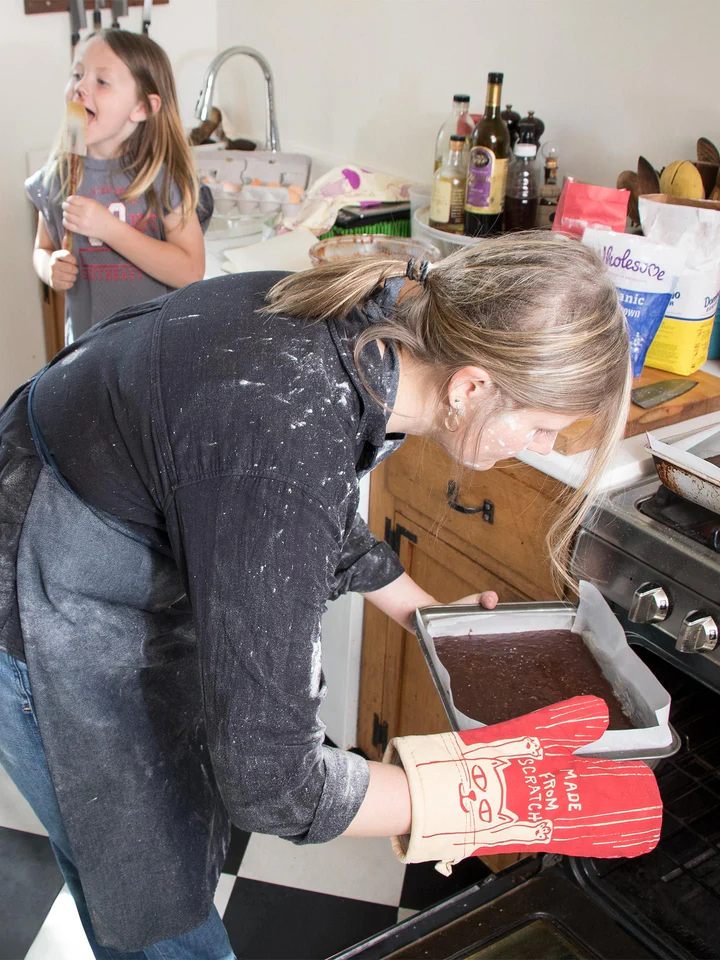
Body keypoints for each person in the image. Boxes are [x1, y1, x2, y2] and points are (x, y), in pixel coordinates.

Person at [0, 233, 635, 958]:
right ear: (470, 386)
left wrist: (425, 612)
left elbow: (291, 503)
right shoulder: (289, 428)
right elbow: (272, 781)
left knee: (166, 835)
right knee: (144, 884)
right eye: (546, 426)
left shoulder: (376, 324)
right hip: (39, 583)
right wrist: (478, 798)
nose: (549, 446)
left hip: (109, 517)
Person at [26, 29, 211, 346]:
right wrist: (48, 267)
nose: (80, 87)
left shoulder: (163, 178)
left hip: (153, 350)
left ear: (141, 108)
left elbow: (190, 270)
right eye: (77, 74)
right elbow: (42, 247)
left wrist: (109, 228)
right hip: (87, 351)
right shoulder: (58, 176)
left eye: (101, 81)